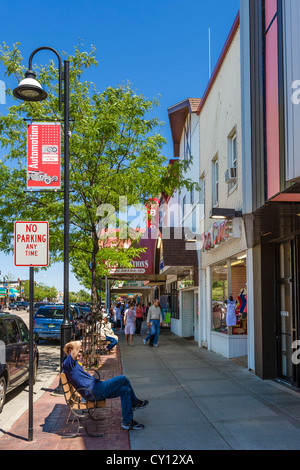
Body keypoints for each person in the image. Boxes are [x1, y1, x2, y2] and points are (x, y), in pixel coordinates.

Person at [62, 340, 148, 430]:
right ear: (70, 350)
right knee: (123, 379)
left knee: (125, 390)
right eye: (78, 352)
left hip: (95, 388)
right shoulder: (67, 364)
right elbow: (76, 346)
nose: (80, 354)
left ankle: (127, 422)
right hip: (94, 391)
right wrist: (79, 342)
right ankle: (134, 403)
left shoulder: (72, 363)